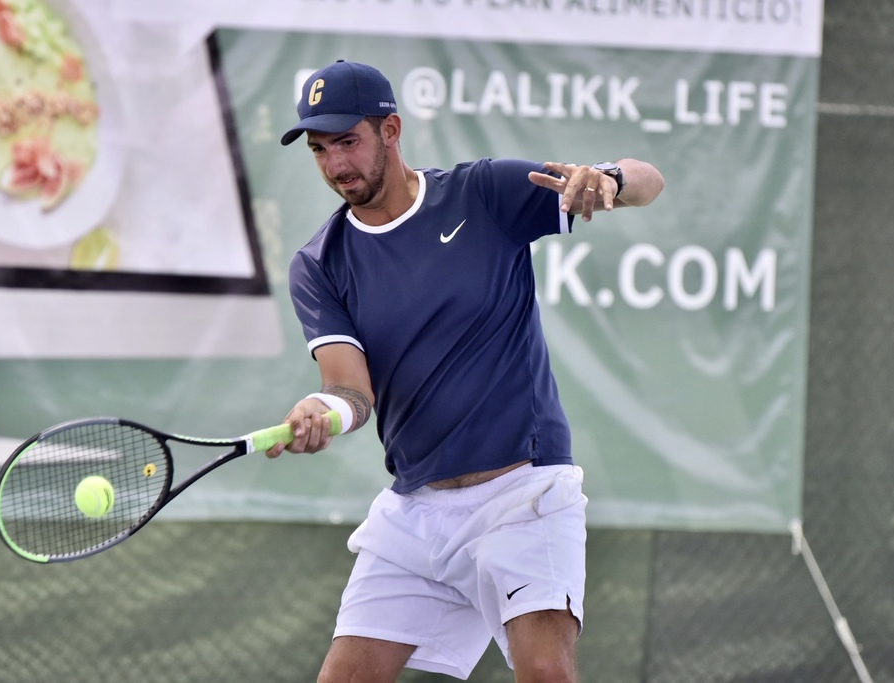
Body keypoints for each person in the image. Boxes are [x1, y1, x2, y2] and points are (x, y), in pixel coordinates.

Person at [266, 59, 664, 683]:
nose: (335, 164)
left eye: (348, 141)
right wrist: (326, 411)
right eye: (319, 149)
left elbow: (651, 179)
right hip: (416, 514)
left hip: (522, 496)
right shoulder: (319, 263)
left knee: (545, 676)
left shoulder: (482, 194)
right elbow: (351, 391)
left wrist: (610, 179)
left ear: (390, 130)